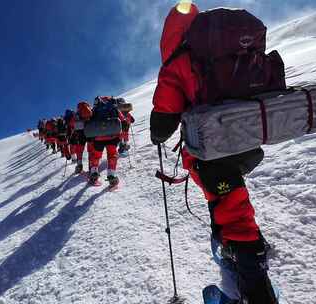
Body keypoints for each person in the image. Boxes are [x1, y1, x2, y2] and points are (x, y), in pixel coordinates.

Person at [150, 3, 278, 304]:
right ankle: (235, 253)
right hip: (246, 142)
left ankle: (254, 281)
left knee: (232, 209)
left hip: (212, 152)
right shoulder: (229, 51)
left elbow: (164, 115)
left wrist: (157, 134)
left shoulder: (179, 62)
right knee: (226, 197)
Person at [88, 96, 124, 186]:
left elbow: (89, 120)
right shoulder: (112, 106)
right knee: (112, 155)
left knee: (96, 155)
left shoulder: (96, 108)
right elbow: (122, 119)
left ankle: (93, 174)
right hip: (112, 136)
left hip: (98, 137)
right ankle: (111, 176)